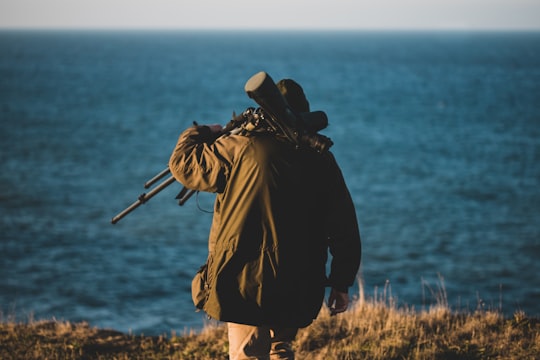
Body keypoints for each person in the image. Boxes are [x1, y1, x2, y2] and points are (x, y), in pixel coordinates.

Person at [169, 74, 361, 360]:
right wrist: (341, 283)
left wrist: (202, 132)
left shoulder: (238, 147)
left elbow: (182, 163)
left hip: (242, 279)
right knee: (280, 349)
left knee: (247, 353)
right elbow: (344, 225)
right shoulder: (320, 156)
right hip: (299, 279)